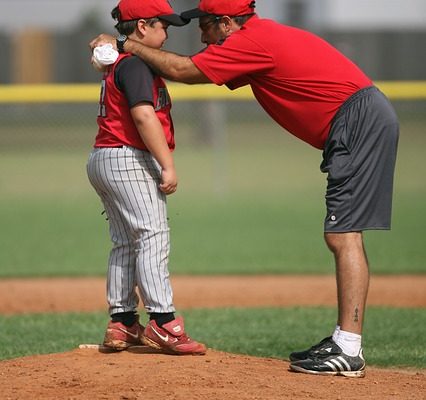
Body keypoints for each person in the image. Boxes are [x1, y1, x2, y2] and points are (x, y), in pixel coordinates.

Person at [90, 0, 399, 376]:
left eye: (204, 25)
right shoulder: (259, 37)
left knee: (342, 235)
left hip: (358, 122)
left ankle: (348, 347)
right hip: (358, 119)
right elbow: (179, 70)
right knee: (341, 233)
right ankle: (344, 340)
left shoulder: (251, 42)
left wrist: (127, 45)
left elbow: (184, 69)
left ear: (226, 23)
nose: (201, 34)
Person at [86, 0, 206, 356]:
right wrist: (167, 164)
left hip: (103, 156)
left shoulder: (123, 62)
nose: (166, 33)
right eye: (162, 26)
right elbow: (143, 116)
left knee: (125, 241)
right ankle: (164, 322)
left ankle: (122, 322)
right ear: (141, 27)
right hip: (128, 156)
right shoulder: (136, 64)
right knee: (153, 235)